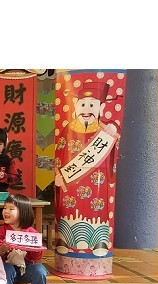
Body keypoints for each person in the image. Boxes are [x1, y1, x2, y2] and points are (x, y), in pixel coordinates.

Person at [54, 81, 121, 260]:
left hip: (97, 179)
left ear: (101, 107)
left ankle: (99, 241)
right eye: (83, 105)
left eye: (92, 105)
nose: (86, 110)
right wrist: (58, 174)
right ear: (76, 106)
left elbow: (115, 140)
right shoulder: (69, 128)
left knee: (97, 208)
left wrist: (113, 129)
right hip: (70, 180)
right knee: (68, 207)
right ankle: (65, 240)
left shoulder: (105, 129)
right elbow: (59, 152)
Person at [0, 194, 49, 284]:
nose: (6, 211)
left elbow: (35, 257)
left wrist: (35, 249)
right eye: (5, 207)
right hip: (7, 270)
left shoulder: (31, 233)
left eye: (11, 209)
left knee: (40, 269)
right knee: (6, 268)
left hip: (26, 269)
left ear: (23, 212)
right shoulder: (0, 231)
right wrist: (3, 248)